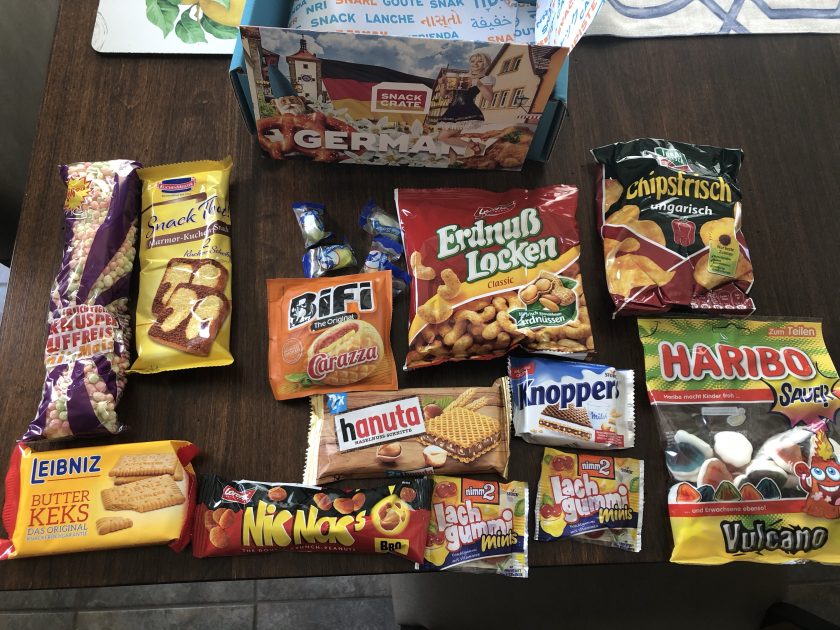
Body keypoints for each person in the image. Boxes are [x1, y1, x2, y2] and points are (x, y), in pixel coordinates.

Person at [437, 52, 495, 154]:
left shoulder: (485, 79)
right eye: (472, 61)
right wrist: (442, 84)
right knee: (453, 138)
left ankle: (473, 146)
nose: (475, 64)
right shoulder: (460, 76)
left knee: (442, 137)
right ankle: (471, 150)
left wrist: (480, 85)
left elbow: (490, 98)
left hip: (466, 111)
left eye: (480, 61)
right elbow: (443, 95)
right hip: (452, 111)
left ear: (485, 64)